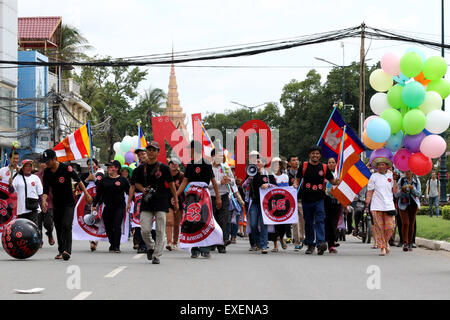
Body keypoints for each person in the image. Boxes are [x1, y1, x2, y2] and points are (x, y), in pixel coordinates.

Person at [40, 149, 93, 261]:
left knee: (66, 224)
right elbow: (45, 189)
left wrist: (87, 194)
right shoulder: (47, 172)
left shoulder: (66, 168)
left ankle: (67, 251)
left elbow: (78, 181)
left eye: (48, 161)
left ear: (55, 159)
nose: (47, 163)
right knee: (58, 226)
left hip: (69, 202)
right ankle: (61, 250)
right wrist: (44, 200)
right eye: (45, 161)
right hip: (57, 203)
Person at [133, 141, 178, 264]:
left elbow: (172, 184)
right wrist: (143, 190)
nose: (151, 152)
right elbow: (135, 183)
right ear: (146, 152)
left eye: (154, 150)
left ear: (158, 153)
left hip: (161, 201)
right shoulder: (140, 169)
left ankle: (156, 255)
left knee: (160, 229)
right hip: (146, 202)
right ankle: (151, 247)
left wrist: (176, 199)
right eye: (149, 150)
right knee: (145, 230)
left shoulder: (164, 168)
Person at [176, 140, 221, 259]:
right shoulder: (190, 164)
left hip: (204, 195)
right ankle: (194, 248)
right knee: (192, 219)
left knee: (204, 219)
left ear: (194, 149)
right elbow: (185, 182)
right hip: (192, 195)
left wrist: (218, 197)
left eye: (189, 149)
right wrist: (176, 195)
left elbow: (214, 182)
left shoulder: (206, 163)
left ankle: (205, 248)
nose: (188, 151)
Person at [294, 146, 340, 256]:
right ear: (310, 155)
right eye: (313, 153)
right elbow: (298, 180)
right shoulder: (304, 166)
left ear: (320, 155)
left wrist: (337, 181)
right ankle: (310, 245)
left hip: (320, 199)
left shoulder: (324, 167)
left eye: (317, 153)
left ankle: (320, 244)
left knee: (320, 221)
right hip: (306, 199)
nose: (315, 155)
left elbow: (332, 181)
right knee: (308, 222)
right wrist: (295, 185)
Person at [92, 160, 130, 253]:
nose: (109, 168)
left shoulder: (123, 180)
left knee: (117, 225)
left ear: (117, 168)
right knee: (108, 227)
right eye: (108, 167)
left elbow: (129, 192)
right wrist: (94, 205)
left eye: (111, 166)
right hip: (108, 207)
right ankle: (112, 243)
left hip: (119, 206)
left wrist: (131, 202)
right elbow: (99, 194)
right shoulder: (104, 180)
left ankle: (117, 246)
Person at [365, 156, 398, 256]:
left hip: (388, 205)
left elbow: (395, 191)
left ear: (387, 166)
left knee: (390, 227)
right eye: (378, 165)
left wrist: (395, 180)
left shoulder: (391, 175)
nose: (380, 166)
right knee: (379, 227)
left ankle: (385, 241)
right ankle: (382, 247)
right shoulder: (373, 176)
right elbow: (370, 191)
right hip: (376, 205)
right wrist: (367, 202)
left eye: (382, 164)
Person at [248, 156, 277, 254]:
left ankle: (264, 245)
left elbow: (275, 187)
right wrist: (248, 180)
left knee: (264, 224)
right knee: (253, 224)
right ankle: (258, 242)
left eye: (258, 161)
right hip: (255, 202)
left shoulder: (269, 174)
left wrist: (268, 185)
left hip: (265, 203)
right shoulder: (251, 172)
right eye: (255, 162)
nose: (256, 163)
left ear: (264, 164)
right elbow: (243, 185)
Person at [80, 158, 104, 252]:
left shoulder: (101, 174)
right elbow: (80, 187)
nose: (90, 166)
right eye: (88, 164)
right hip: (87, 201)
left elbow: (102, 185)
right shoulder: (84, 175)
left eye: (92, 164)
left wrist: (95, 179)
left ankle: (95, 240)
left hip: (98, 200)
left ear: (96, 165)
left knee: (97, 219)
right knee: (88, 219)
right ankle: (91, 240)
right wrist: (87, 180)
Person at [8, 159, 43, 226]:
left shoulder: (35, 178)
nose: (29, 168)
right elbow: (11, 191)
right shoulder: (17, 178)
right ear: (23, 167)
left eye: (30, 166)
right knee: (23, 229)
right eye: (27, 166)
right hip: (21, 209)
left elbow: (40, 193)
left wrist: (42, 205)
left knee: (33, 227)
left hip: (33, 208)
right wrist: (10, 185)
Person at [127, 147, 149, 254]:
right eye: (139, 155)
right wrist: (129, 202)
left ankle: (150, 244)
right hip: (139, 199)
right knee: (139, 224)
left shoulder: (156, 168)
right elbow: (132, 187)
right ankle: (142, 245)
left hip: (153, 198)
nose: (141, 156)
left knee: (152, 224)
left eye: (143, 154)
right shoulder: (136, 171)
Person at [396, 170, 421, 252]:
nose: (407, 173)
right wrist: (402, 190)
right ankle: (405, 243)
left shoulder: (416, 181)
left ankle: (410, 243)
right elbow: (396, 194)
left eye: (409, 171)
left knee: (411, 224)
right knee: (405, 223)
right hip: (403, 205)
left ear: (412, 172)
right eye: (406, 172)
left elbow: (418, 194)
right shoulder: (401, 180)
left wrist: (412, 188)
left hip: (413, 205)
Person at [269, 157, 289, 252]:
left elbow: (288, 190)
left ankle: (281, 238)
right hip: (273, 203)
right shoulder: (270, 176)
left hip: (283, 203)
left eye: (278, 164)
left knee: (284, 224)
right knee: (275, 224)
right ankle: (275, 244)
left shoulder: (285, 176)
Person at [34, 159, 55, 247]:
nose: (44, 164)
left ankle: (49, 233)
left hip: (49, 203)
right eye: (42, 163)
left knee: (48, 223)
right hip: (37, 204)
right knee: (37, 223)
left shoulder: (52, 174)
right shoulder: (35, 176)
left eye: (45, 162)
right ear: (39, 164)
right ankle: (39, 240)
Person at [287, 155, 305, 251]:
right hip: (292, 201)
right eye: (293, 160)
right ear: (289, 163)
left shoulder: (303, 173)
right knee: (295, 222)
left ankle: (303, 238)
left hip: (303, 200)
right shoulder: (287, 175)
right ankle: (297, 242)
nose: (296, 162)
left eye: (297, 159)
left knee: (304, 221)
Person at [166, 158, 184, 251]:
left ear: (178, 166)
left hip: (179, 201)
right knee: (169, 222)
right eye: (172, 164)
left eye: (176, 164)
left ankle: (175, 242)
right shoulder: (166, 175)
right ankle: (169, 242)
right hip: (167, 200)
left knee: (176, 224)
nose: (173, 165)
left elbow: (185, 188)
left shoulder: (181, 176)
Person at [324, 157, 341, 254]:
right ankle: (325, 240)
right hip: (325, 200)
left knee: (333, 223)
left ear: (335, 164)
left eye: (332, 162)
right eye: (329, 162)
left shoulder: (339, 174)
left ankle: (331, 244)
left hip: (337, 201)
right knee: (326, 222)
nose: (331, 164)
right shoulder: (324, 174)